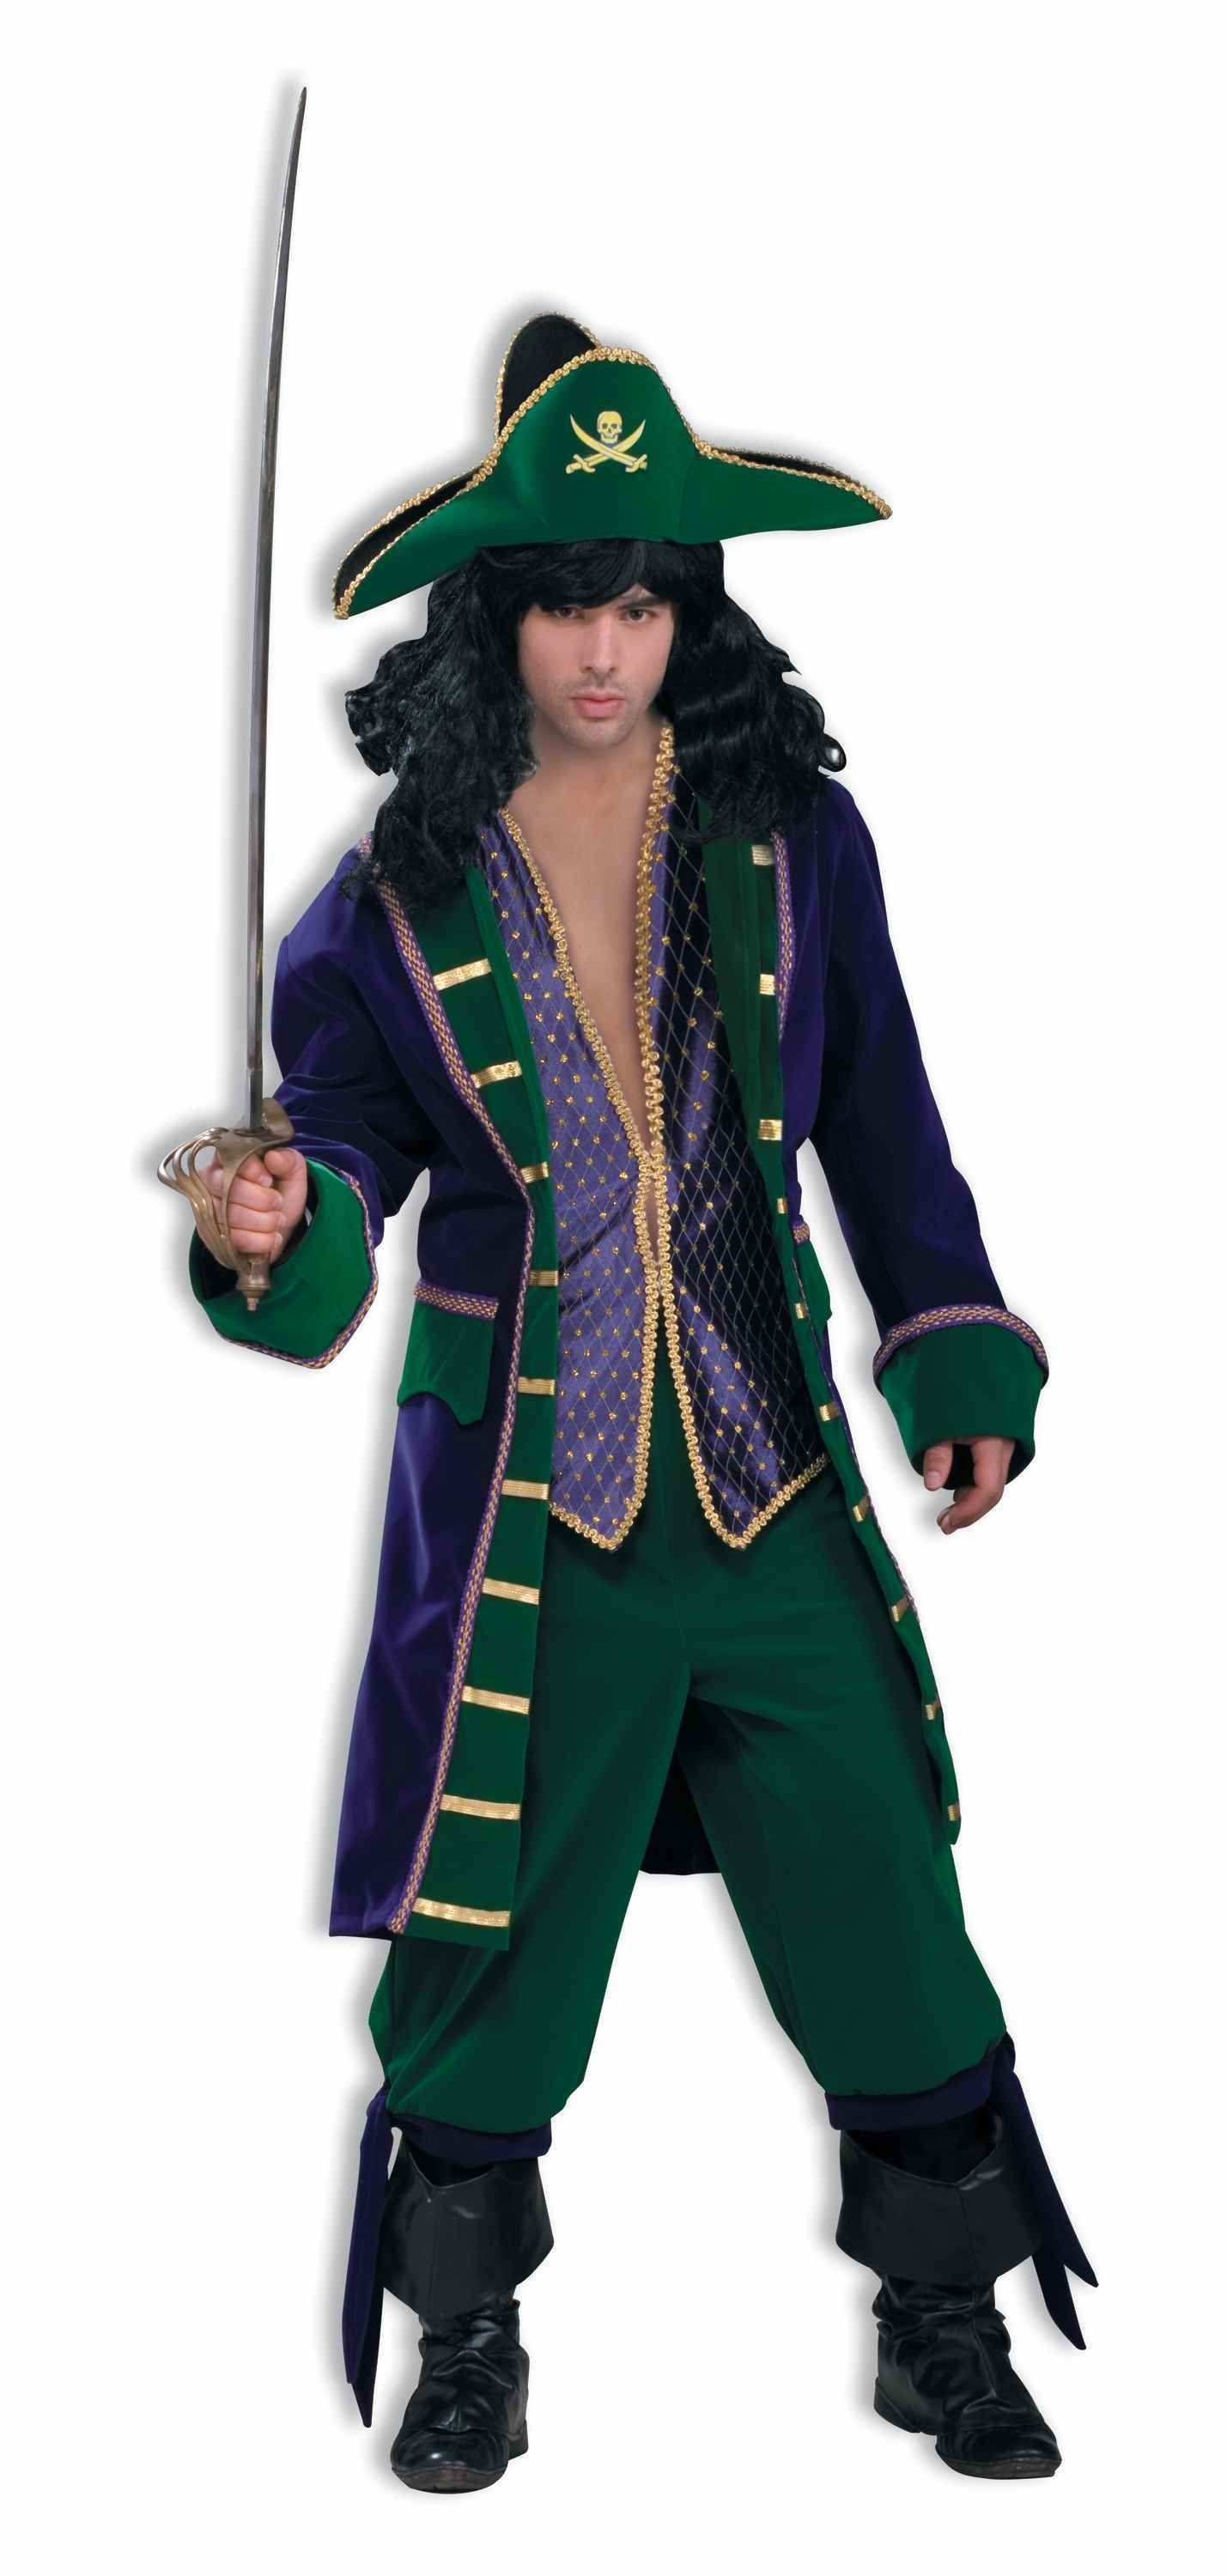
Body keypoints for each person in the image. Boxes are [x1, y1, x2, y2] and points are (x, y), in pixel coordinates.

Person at [180, 313, 1094, 2491]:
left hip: (767, 1485)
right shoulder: (384, 904)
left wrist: (951, 1342)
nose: (605, 651)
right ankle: (468, 2344)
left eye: (645, 603)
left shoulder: (791, 841)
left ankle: (942, 2325)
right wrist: (273, 1225)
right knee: (489, 1947)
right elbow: (337, 1179)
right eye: (566, 606)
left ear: (693, 609)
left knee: (883, 1900)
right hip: (533, 1514)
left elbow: (883, 1117)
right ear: (493, 616)